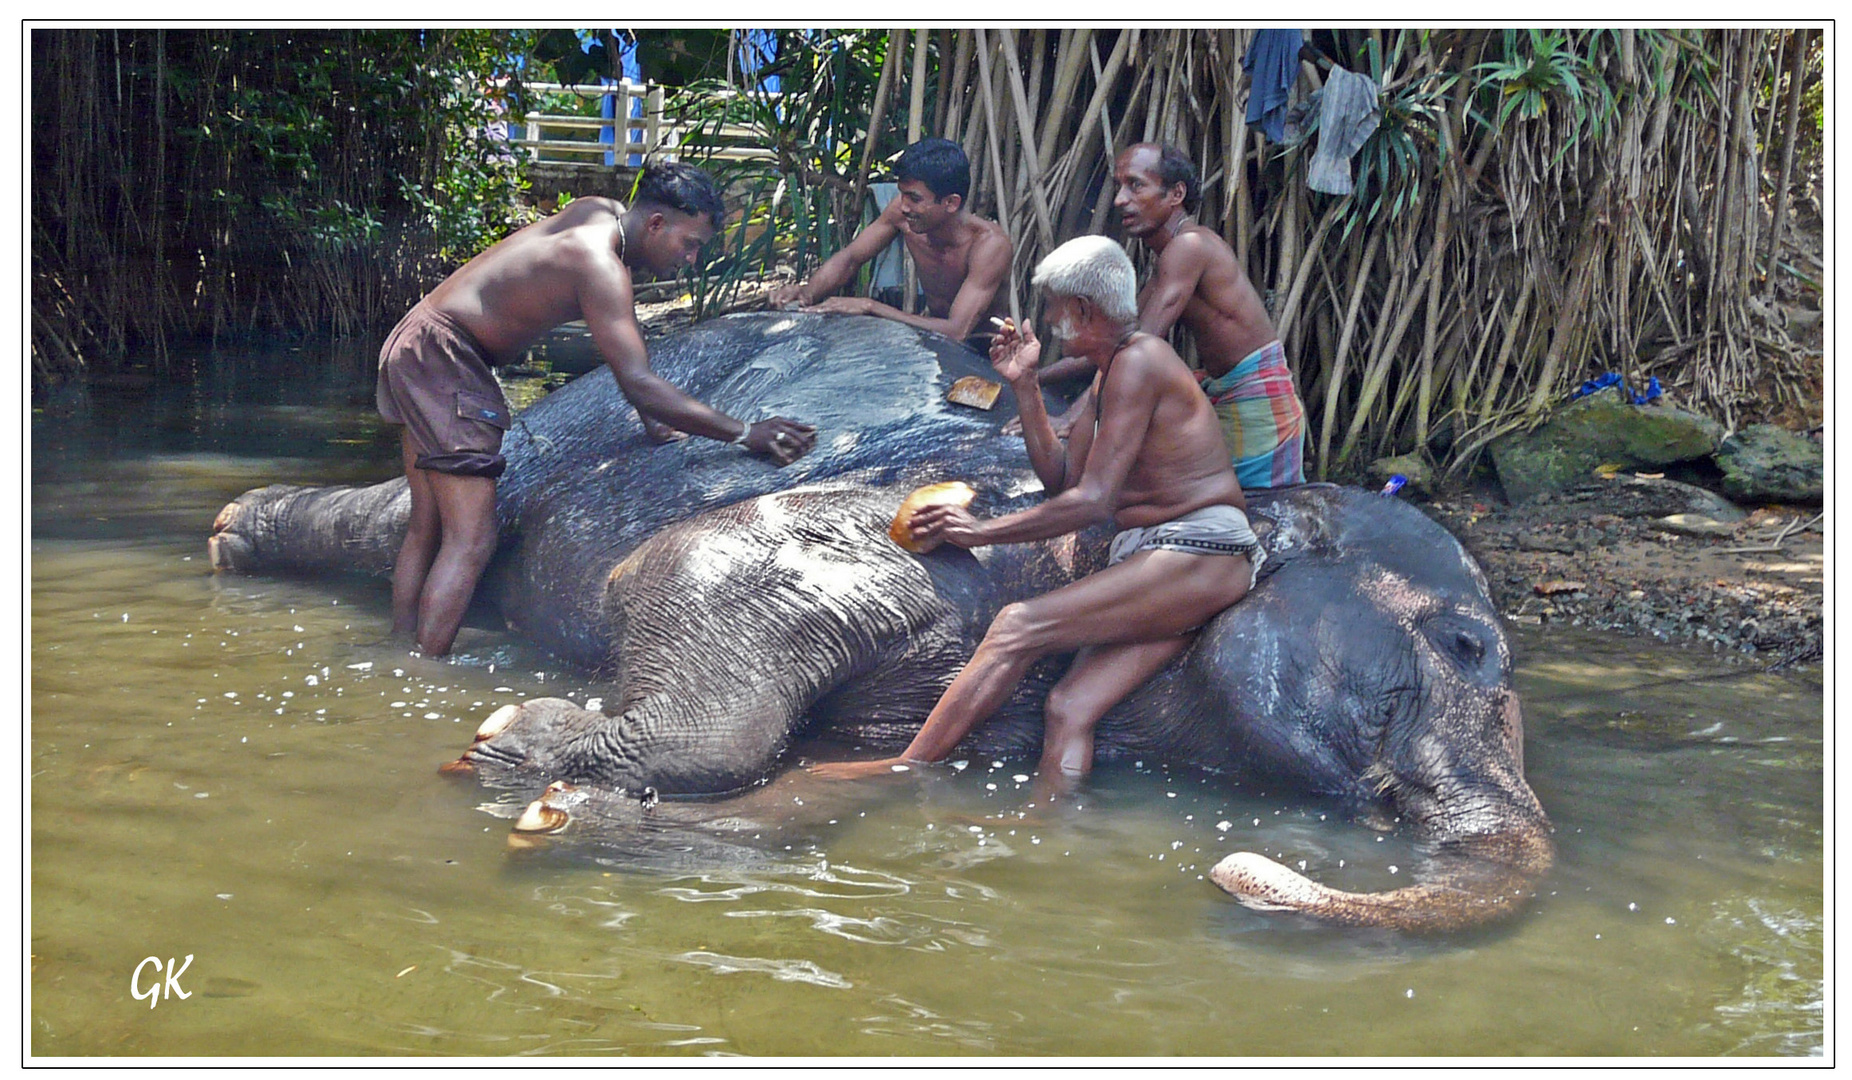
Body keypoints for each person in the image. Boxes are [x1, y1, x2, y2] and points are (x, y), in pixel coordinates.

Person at [810, 236, 1262, 788]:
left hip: (1198, 553)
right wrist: (1023, 384)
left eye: (1051, 306)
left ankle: (906, 768)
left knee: (1016, 627)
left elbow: (1092, 502)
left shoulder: (1141, 361)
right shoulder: (1110, 371)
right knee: (1069, 707)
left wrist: (983, 532)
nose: (1046, 321)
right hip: (1166, 565)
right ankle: (1051, 832)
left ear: (1083, 310)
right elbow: (1062, 480)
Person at [377, 162, 817, 658]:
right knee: (472, 539)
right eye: (688, 244)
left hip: (417, 338)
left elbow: (624, 336)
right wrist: (744, 433)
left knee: (427, 523)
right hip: (447, 359)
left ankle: (399, 650)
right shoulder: (600, 266)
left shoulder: (599, 215)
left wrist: (654, 418)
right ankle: (424, 672)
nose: (691, 260)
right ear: (655, 224)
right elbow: (637, 379)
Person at [1030, 143, 1307, 489]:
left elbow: (1137, 348)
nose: (1119, 199)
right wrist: (1034, 379)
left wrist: (1073, 416)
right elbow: (1116, 339)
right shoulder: (1170, 258)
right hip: (1233, 399)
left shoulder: (1189, 248)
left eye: (1135, 185)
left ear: (1176, 194)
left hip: (1258, 408)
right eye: (1119, 186)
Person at [768, 138, 1011, 346]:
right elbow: (851, 258)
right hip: (932, 338)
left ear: (950, 203)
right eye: (901, 194)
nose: (903, 206)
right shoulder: (902, 211)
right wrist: (807, 296)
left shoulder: (990, 246)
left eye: (914, 198)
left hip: (985, 349)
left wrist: (870, 307)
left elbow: (957, 330)